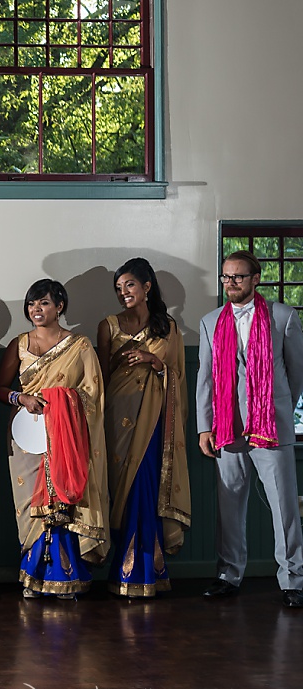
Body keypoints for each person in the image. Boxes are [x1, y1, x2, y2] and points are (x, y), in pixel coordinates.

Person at [197, 250, 303, 608]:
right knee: (229, 508)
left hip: (271, 427)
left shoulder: (283, 316)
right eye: (226, 277)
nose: (231, 283)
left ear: (256, 278)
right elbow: (206, 380)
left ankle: (294, 580)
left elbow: (296, 372)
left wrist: (274, 409)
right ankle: (229, 575)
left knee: (284, 508)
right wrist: (204, 427)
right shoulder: (211, 322)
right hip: (228, 428)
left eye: (238, 277)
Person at [0, 279, 109, 599]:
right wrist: (22, 398)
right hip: (27, 434)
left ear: (60, 307)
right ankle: (33, 577)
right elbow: (0, 389)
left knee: (62, 502)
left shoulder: (80, 345)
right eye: (32, 304)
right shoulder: (19, 343)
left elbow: (92, 394)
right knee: (31, 505)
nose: (36, 309)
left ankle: (64, 576)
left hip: (66, 436)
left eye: (43, 303)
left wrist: (62, 404)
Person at [96, 258, 191, 598]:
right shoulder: (108, 325)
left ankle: (144, 569)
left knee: (145, 488)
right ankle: (124, 567)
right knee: (119, 488)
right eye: (119, 289)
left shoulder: (169, 327)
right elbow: (101, 381)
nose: (124, 293)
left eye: (130, 286)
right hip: (117, 419)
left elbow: (178, 375)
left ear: (147, 286)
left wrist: (155, 362)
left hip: (153, 420)